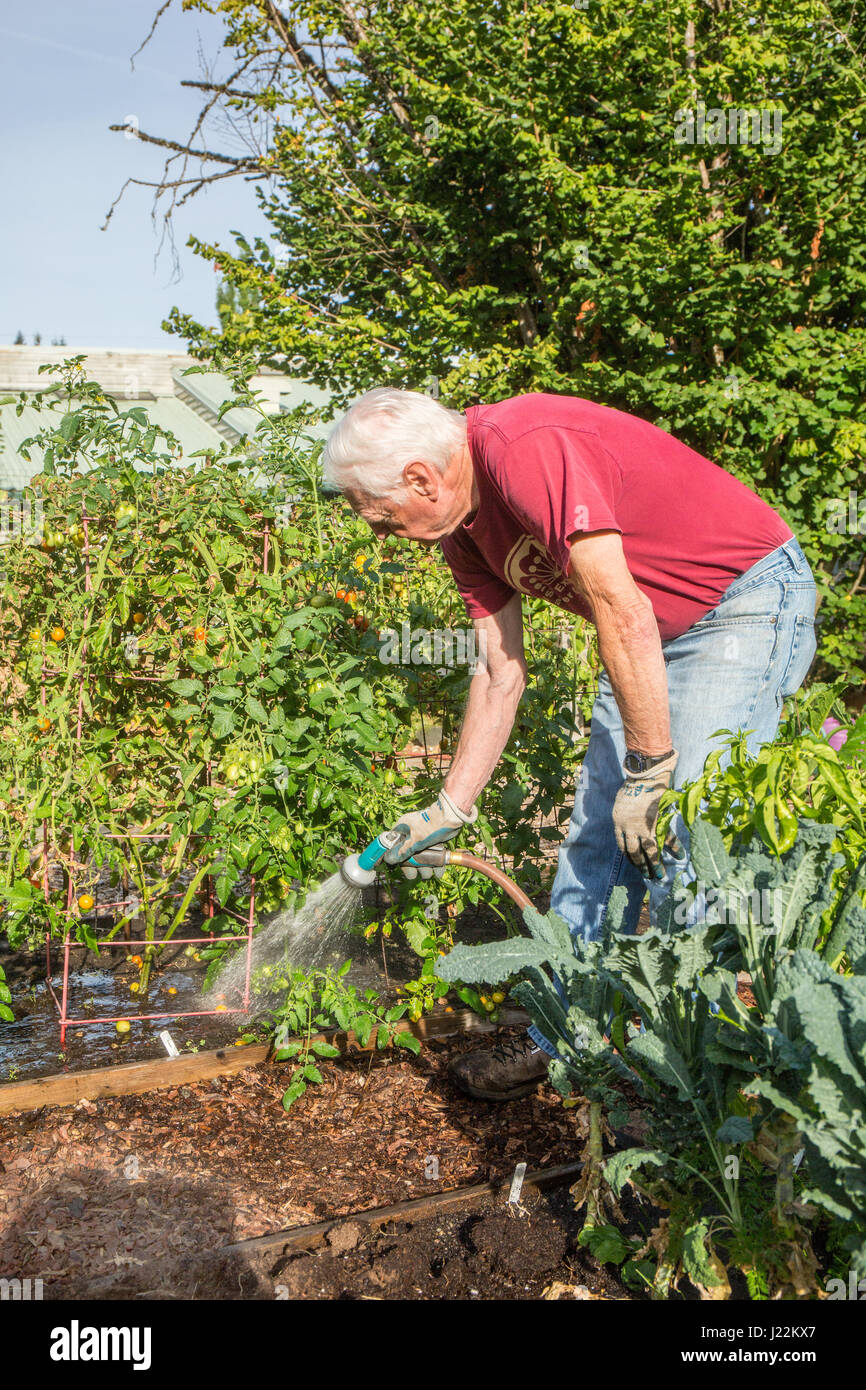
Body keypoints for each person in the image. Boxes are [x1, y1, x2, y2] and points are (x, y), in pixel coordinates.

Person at [321, 388, 817, 1100]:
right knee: (594, 840)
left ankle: (707, 1083)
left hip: (740, 601)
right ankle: (568, 1041)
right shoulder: (462, 532)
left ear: (420, 479)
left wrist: (648, 771)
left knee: (683, 834)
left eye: (379, 516)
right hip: (647, 631)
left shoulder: (523, 447)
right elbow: (499, 669)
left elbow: (620, 605)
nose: (379, 532)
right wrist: (448, 807)